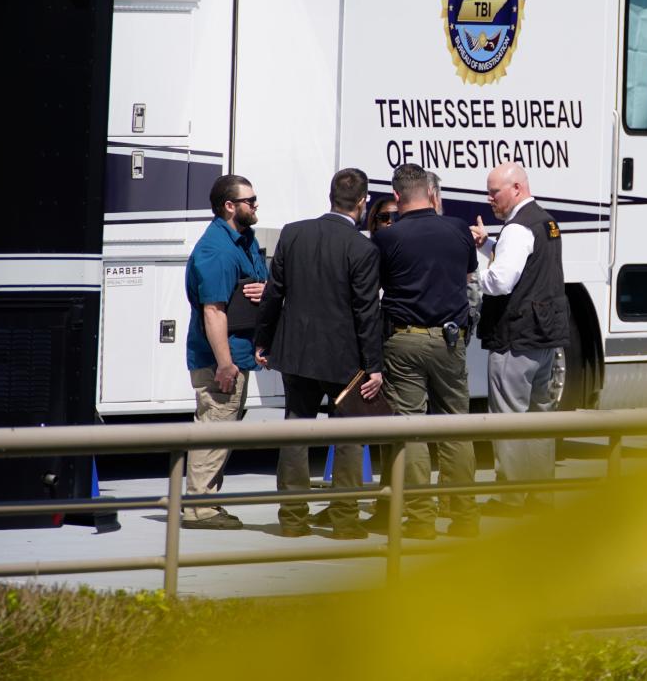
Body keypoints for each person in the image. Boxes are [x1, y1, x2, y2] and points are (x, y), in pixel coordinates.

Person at [254, 168, 383, 539]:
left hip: (296, 353)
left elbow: (274, 294)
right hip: (346, 360)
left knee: (296, 430)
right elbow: (366, 312)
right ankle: (345, 522)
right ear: (362, 202)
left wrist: (263, 341)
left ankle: (292, 520)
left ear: (331, 196)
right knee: (348, 437)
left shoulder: (294, 234)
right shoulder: (362, 248)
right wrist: (374, 366)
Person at [368, 164, 480, 538]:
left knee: (411, 429)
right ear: (431, 194)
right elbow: (467, 277)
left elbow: (375, 289)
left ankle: (420, 520)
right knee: (455, 428)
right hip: (450, 341)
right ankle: (464, 516)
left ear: (397, 197)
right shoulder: (459, 229)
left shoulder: (388, 238)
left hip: (404, 340)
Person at [470, 162, 569, 517]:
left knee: (508, 418)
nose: (489, 198)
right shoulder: (546, 221)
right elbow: (527, 262)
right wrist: (491, 243)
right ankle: (541, 496)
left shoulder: (517, 228)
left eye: (494, 191)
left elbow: (501, 282)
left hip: (516, 338)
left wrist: (475, 270)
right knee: (541, 419)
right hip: (546, 337)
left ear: (516, 189)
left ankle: (510, 497)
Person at [181, 174, 268, 530]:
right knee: (214, 429)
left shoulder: (243, 240)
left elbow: (249, 291)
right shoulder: (216, 250)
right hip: (222, 360)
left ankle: (208, 502)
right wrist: (225, 364)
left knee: (223, 430)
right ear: (229, 206)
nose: (256, 205)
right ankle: (198, 508)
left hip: (239, 354)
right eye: (250, 200)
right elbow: (213, 311)